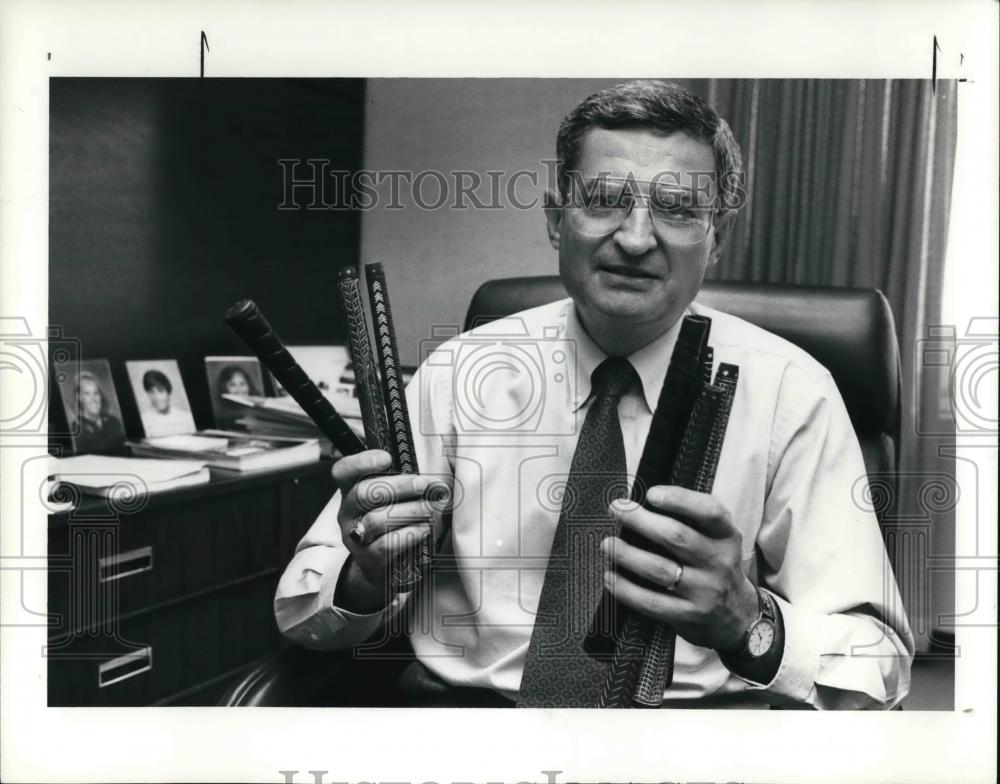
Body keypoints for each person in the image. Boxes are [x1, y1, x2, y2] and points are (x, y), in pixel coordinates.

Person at [275, 81, 913, 709]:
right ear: (557, 219)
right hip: (469, 733)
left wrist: (748, 621)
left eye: (678, 208)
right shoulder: (459, 371)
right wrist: (365, 578)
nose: (635, 239)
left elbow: (877, 665)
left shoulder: (791, 393)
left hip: (685, 746)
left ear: (718, 235)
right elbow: (302, 610)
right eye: (604, 200)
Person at [72, 371, 125, 453]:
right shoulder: (76, 429)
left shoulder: (113, 421)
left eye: (96, 393)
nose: (94, 399)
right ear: (79, 397)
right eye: (87, 394)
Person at [140, 368, 193, 437]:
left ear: (168, 392)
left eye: (160, 391)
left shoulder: (186, 417)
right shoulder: (144, 420)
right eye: (151, 392)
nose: (157, 397)